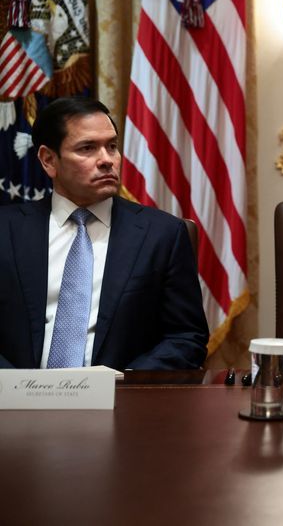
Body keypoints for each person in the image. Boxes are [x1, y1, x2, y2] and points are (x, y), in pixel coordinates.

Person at [0, 96, 209, 370]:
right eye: (88, 148)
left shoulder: (163, 235)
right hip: (16, 402)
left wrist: (122, 383)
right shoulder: (6, 231)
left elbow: (186, 337)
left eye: (112, 147)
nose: (107, 160)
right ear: (49, 160)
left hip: (123, 402)